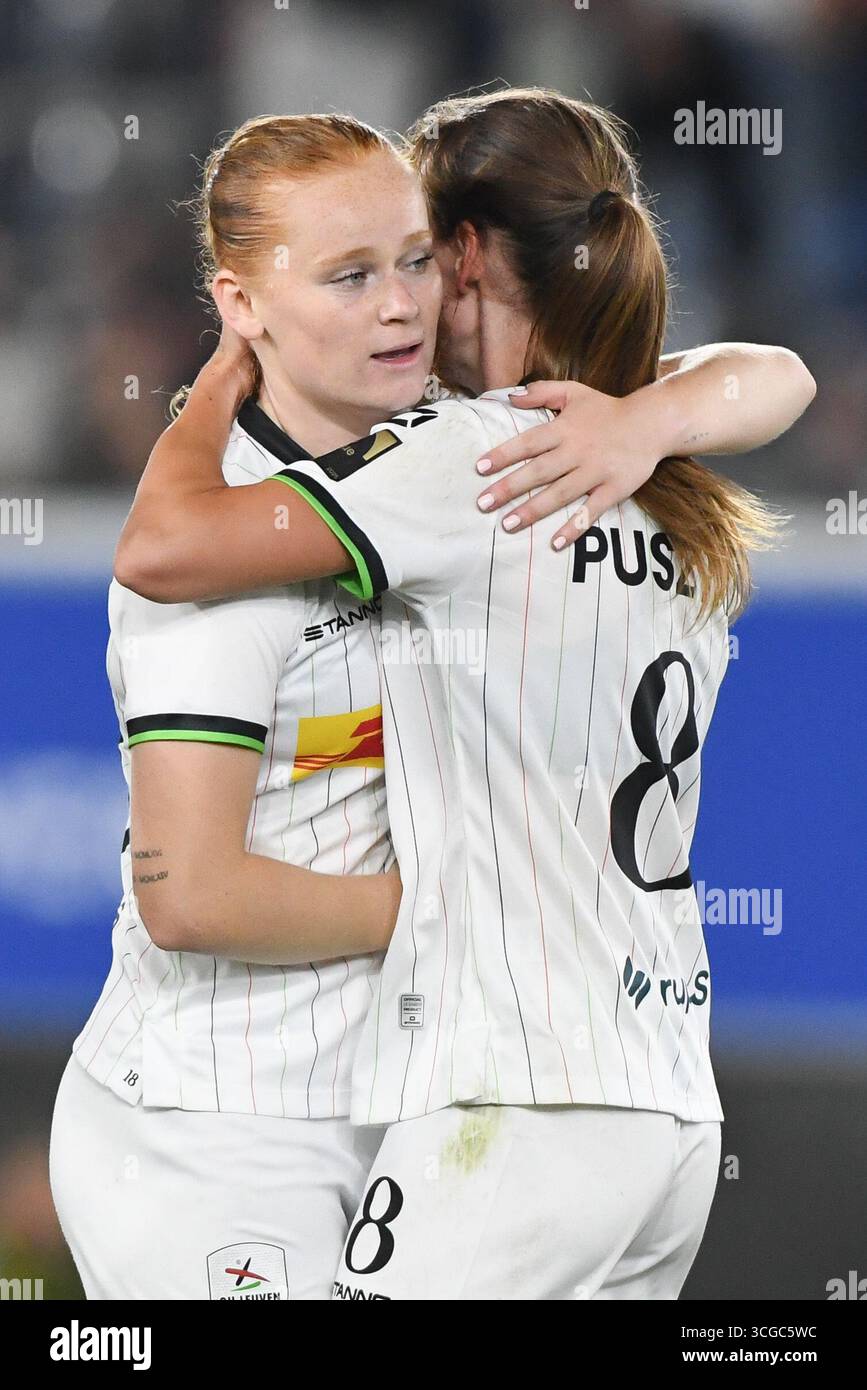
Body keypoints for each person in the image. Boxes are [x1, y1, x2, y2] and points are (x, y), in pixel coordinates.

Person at [114, 90, 815, 1299]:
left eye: (418, 256)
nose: (401, 297)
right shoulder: (658, 474)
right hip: (670, 1110)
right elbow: (778, 373)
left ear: (470, 257)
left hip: (519, 1106)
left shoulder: (469, 461)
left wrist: (222, 376)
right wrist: (653, 416)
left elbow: (163, 547)